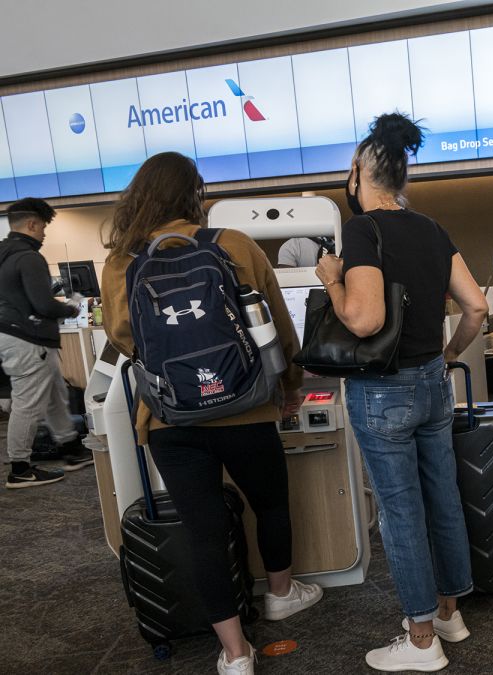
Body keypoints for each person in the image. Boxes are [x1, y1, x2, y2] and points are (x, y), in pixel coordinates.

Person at [100, 152, 322, 675]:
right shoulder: (234, 244)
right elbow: (276, 331)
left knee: (202, 530)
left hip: (169, 419)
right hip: (246, 408)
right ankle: (281, 595)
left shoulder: (121, 262)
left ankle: (235, 653)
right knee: (269, 504)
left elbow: (122, 338)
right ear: (193, 194)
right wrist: (288, 388)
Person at [314, 113, 488, 673]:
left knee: (400, 512)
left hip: (383, 392)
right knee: (441, 498)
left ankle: (419, 643)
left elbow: (364, 320)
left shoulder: (364, 229)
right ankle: (448, 615)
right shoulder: (432, 229)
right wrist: (449, 355)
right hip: (433, 385)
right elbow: (477, 307)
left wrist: (332, 280)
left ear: (359, 173)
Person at [1, 198, 93, 488]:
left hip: (13, 335)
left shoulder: (3, 253)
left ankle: (71, 450)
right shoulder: (28, 257)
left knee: (55, 393)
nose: (44, 233)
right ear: (31, 224)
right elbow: (44, 305)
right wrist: (71, 308)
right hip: (29, 339)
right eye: (42, 227)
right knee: (27, 404)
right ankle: (20, 468)